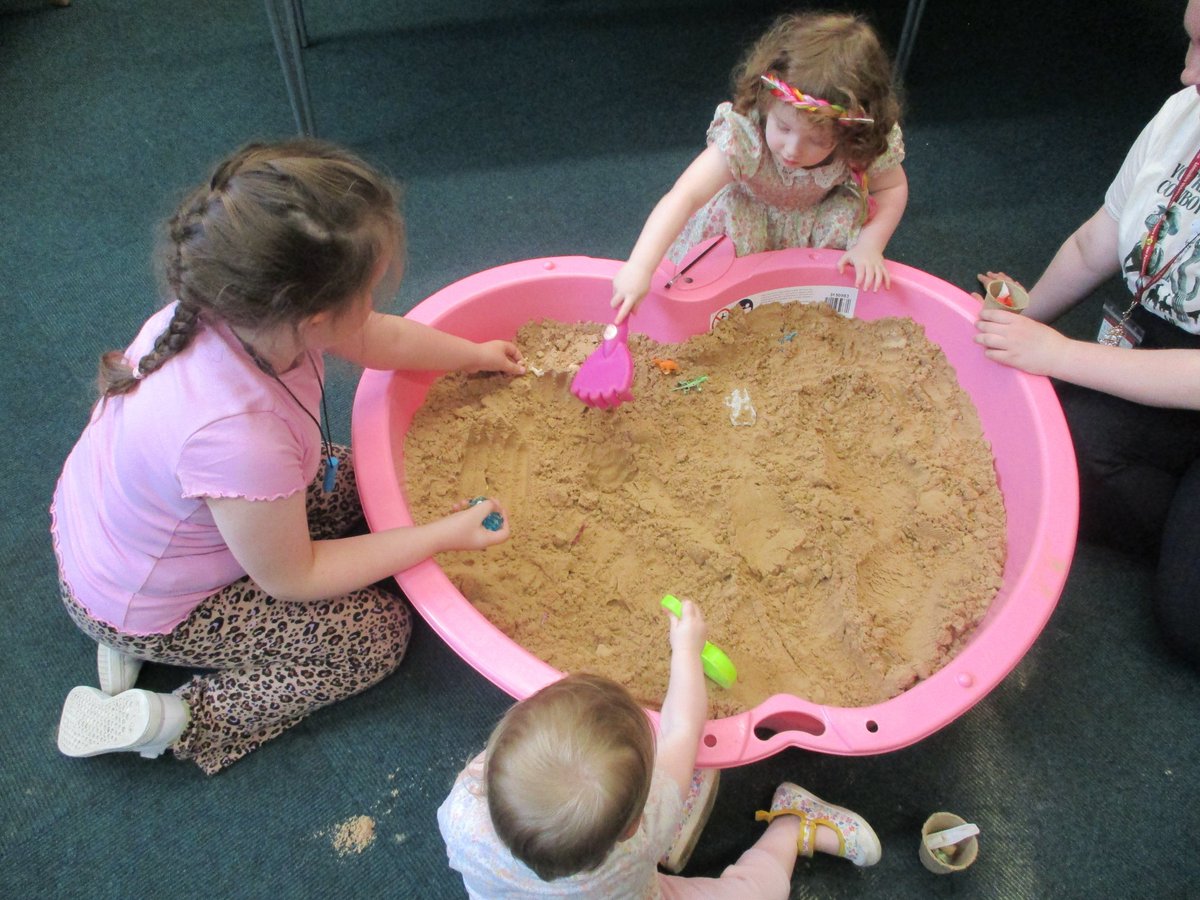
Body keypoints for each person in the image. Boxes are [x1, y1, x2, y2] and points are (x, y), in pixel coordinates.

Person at [52, 139, 526, 774]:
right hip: (144, 597)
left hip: (124, 530)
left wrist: (475, 354)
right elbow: (292, 576)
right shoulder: (238, 435)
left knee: (365, 486)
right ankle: (176, 720)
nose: (376, 302)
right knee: (373, 637)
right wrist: (441, 536)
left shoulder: (228, 305)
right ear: (317, 316)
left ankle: (137, 634)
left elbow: (375, 336)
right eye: (369, 290)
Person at [973, 0, 1200, 668]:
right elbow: (1097, 240)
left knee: (1187, 622)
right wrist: (1029, 314)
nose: (1186, 73)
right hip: (1160, 344)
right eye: (1189, 42)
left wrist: (1062, 355)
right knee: (1059, 459)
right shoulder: (1181, 115)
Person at [437, 599, 880, 897]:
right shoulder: (642, 836)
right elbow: (681, 728)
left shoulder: (461, 813)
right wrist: (687, 649)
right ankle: (789, 826)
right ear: (631, 826)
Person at [610, 11, 908, 324]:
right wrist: (640, 267)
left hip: (815, 220)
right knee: (723, 285)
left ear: (848, 133)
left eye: (818, 141)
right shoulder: (746, 139)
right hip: (746, 222)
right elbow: (684, 196)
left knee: (840, 236)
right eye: (783, 127)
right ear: (767, 102)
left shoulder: (857, 140)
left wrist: (870, 246)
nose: (793, 150)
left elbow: (891, 187)